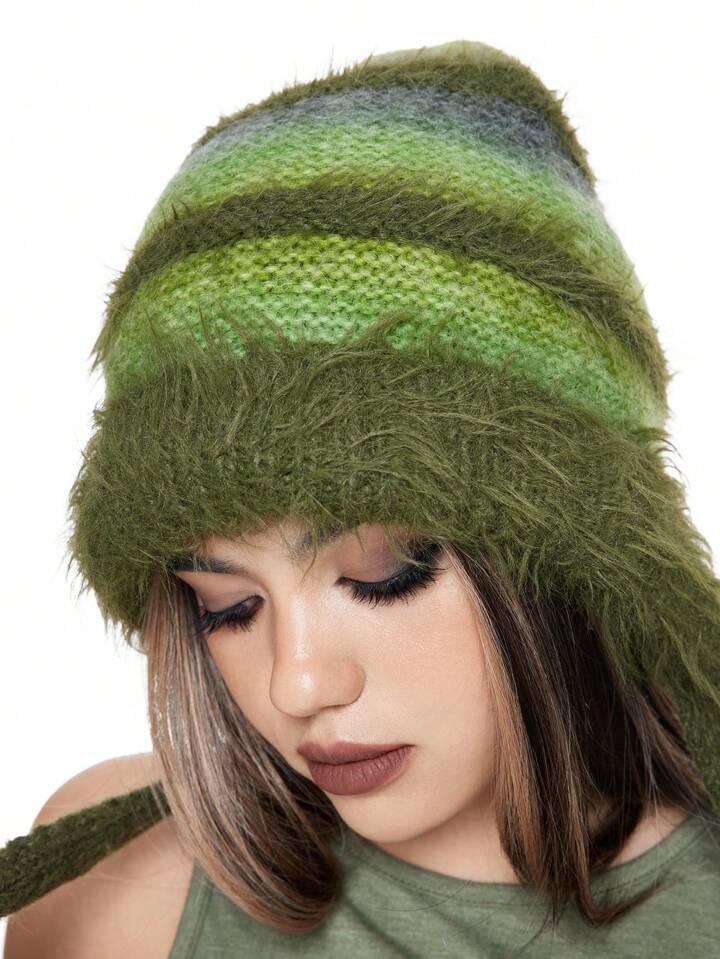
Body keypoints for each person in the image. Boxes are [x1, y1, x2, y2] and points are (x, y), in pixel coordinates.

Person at [3, 37, 720, 958]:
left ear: (583, 550)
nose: (296, 683)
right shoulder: (115, 893)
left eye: (384, 575)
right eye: (227, 604)